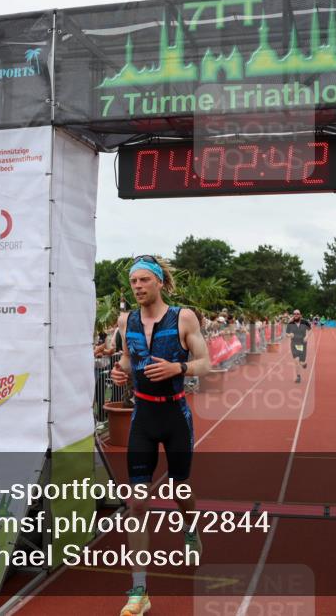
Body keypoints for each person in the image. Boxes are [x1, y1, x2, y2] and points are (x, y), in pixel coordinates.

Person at [109, 256, 210, 616]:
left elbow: (205, 362)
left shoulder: (183, 317)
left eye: (143, 280)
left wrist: (178, 366)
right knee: (136, 504)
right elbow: (125, 360)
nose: (137, 286)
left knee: (181, 488)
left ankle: (190, 528)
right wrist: (122, 375)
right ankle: (139, 590)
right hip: (143, 417)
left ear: (159, 282)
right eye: (133, 281)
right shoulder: (126, 320)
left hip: (175, 414)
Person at [286, 309, 311, 383]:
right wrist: (289, 335)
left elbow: (309, 330)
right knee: (296, 360)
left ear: (300, 315)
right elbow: (287, 334)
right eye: (294, 314)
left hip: (302, 343)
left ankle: (304, 363)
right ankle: (298, 377)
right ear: (293, 315)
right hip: (294, 343)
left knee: (301, 361)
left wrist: (307, 336)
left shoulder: (305, 322)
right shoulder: (290, 323)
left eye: (297, 313)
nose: (296, 315)